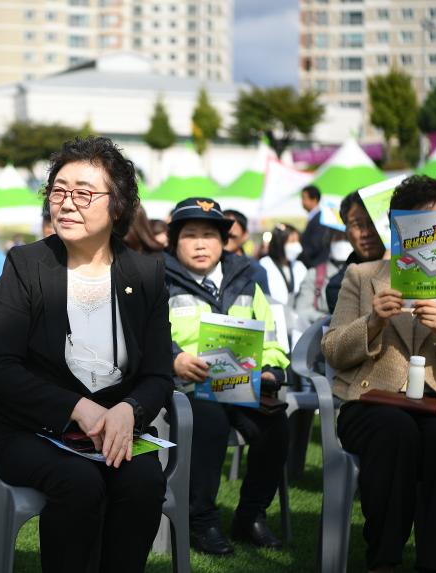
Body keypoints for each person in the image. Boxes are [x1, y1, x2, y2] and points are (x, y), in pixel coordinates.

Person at [0, 136, 173, 573]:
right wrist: (75, 408)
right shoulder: (26, 265)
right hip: (29, 430)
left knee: (143, 480)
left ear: (118, 205)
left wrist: (131, 408)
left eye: (84, 193)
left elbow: (159, 374)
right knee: (79, 482)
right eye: (59, 190)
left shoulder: (145, 273)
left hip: (114, 431)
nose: (66, 203)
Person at [322, 175, 436, 573]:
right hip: (372, 398)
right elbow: (332, 349)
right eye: (416, 226)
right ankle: (385, 556)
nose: (427, 236)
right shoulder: (363, 276)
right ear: (399, 230)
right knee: (392, 432)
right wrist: (372, 323)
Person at [162, 198, 291, 555]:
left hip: (240, 384)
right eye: (190, 235)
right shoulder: (156, 278)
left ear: (224, 240)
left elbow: (271, 337)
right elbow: (144, 334)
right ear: (174, 241)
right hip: (183, 388)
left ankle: (250, 516)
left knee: (276, 426)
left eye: (210, 235)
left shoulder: (248, 278)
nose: (201, 244)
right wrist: (175, 360)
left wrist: (270, 368)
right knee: (210, 421)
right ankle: (201, 521)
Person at [325, 191, 387, 313]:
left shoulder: (409, 269)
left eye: (372, 223)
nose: (366, 233)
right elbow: (353, 329)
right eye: (357, 224)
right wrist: (385, 269)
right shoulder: (339, 285)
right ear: (346, 232)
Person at [293, 228, 351, 323]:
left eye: (346, 239)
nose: (342, 243)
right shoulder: (314, 274)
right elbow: (302, 311)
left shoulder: (363, 273)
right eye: (337, 238)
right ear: (329, 241)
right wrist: (327, 319)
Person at [223, 209, 270, 295]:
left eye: (231, 236)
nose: (226, 241)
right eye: (222, 235)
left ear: (245, 235)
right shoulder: (209, 268)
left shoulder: (256, 270)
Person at [259, 223, 306, 307]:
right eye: (292, 241)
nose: (297, 245)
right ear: (279, 243)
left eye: (298, 241)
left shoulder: (299, 266)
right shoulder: (264, 265)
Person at [298, 184, 327, 268]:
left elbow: (315, 245)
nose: (302, 201)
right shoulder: (314, 217)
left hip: (315, 266)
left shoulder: (320, 219)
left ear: (314, 199)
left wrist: (299, 256)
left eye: (304, 198)